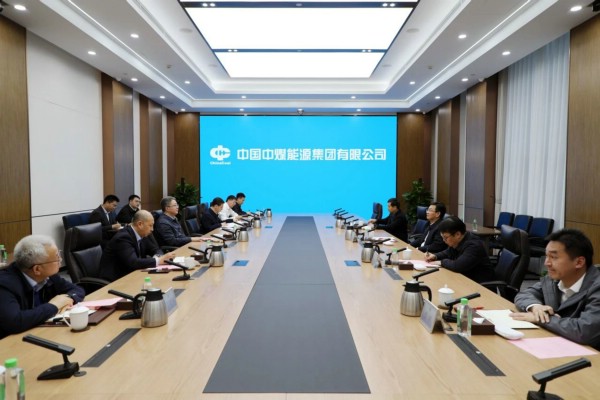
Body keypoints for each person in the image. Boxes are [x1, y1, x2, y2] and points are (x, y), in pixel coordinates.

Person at [511, 229, 600, 349]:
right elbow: (525, 294)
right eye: (546, 256)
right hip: (559, 344)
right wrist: (535, 307)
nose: (547, 263)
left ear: (579, 262)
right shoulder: (556, 279)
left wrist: (543, 319)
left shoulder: (596, 287)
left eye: (553, 257)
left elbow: (584, 331)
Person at [0, 235, 85, 339]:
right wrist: (53, 306)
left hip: (41, 332)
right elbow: (15, 322)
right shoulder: (5, 285)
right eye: (57, 258)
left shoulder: (48, 275)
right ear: (37, 269)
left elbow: (77, 289)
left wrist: (67, 299)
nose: (61, 260)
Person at [100, 210, 176, 282]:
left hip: (133, 274)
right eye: (150, 225)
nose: (152, 229)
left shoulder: (143, 234)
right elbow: (133, 262)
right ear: (140, 224)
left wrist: (160, 257)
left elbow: (155, 249)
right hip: (117, 279)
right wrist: (159, 260)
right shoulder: (123, 237)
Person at [424, 216, 493, 283]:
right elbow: (448, 252)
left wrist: (441, 262)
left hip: (480, 285)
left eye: (445, 237)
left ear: (458, 234)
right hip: (465, 279)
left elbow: (457, 266)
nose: (443, 240)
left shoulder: (474, 246)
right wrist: (435, 256)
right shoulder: (459, 240)